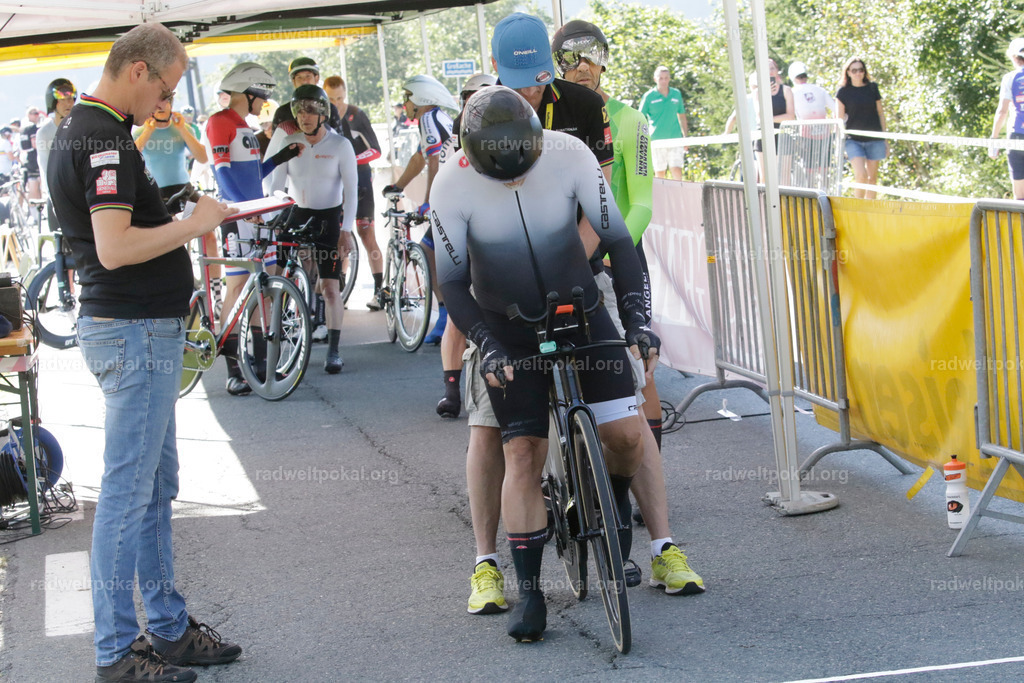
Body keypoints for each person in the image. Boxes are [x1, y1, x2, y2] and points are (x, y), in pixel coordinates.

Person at [46, 22, 240, 682]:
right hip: (131, 332)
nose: (165, 101)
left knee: (153, 486)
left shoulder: (91, 129)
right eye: (164, 86)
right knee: (130, 494)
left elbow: (119, 230)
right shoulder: (100, 135)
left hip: (137, 329)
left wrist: (174, 211)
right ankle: (118, 652)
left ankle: (164, 628)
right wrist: (194, 223)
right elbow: (114, 247)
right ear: (136, 70)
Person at [434, 85, 656, 643]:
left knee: (628, 436)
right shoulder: (451, 181)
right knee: (521, 451)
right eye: (498, 175)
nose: (512, 182)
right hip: (505, 323)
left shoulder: (570, 154)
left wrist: (635, 317)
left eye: (521, 170)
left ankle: (612, 502)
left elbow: (619, 241)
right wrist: (485, 341)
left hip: (577, 307)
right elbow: (452, 281)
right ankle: (530, 594)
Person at [458, 11, 616, 616]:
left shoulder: (580, 103)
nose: (529, 91)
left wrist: (570, 266)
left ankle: (627, 522)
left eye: (537, 78)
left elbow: (603, 203)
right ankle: (485, 562)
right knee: (495, 430)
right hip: (502, 285)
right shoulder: (475, 114)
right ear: (496, 71)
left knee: (623, 419)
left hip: (574, 267)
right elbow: (467, 212)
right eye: (517, 79)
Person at [552, 18, 705, 595]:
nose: (582, 65)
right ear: (556, 67)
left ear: (606, 63)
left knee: (638, 381)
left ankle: (634, 506)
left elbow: (639, 201)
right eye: (570, 58)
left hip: (612, 257)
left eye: (591, 56)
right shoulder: (541, 116)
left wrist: (600, 251)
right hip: (552, 264)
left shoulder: (632, 121)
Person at [206, 61, 300, 395]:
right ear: (246, 94)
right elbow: (223, 174)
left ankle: (261, 364)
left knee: (266, 287)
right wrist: (242, 211)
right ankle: (233, 368)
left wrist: (281, 156)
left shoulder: (244, 126)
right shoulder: (219, 122)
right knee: (237, 288)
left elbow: (253, 174)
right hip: (237, 216)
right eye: (260, 96)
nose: (263, 103)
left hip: (255, 212)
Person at [265, 84, 358, 373]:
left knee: (330, 287)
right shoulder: (290, 143)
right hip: (295, 213)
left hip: (328, 219)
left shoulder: (340, 145)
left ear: (322, 114)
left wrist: (346, 230)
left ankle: (333, 350)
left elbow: (352, 192)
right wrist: (273, 217)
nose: (304, 117)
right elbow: (277, 187)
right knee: (276, 279)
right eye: (299, 111)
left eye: (310, 111)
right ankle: (276, 340)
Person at [434, 72, 497, 419]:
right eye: (470, 97)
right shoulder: (452, 144)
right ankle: (451, 391)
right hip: (465, 233)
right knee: (458, 316)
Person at [380, 74, 458, 344]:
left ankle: (447, 318)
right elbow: (419, 158)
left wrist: (428, 201)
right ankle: (449, 316)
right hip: (456, 195)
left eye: (407, 97)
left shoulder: (428, 119)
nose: (405, 104)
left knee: (428, 251)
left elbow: (434, 161)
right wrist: (397, 185)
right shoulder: (436, 118)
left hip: (450, 199)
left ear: (421, 98)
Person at [323, 75, 385, 307]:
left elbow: (376, 150)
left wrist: (351, 161)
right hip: (335, 185)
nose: (336, 103)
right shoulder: (323, 117)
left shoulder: (356, 115)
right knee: (340, 235)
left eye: (339, 98)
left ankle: (380, 290)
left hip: (361, 182)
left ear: (346, 93)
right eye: (331, 99)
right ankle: (340, 289)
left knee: (366, 234)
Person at [835, 56, 887, 199]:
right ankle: (856, 208)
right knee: (861, 176)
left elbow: (880, 113)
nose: (858, 73)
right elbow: (839, 120)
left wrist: (885, 139)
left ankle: (869, 211)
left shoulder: (872, 88)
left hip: (875, 138)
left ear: (864, 72)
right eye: (854, 70)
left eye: (861, 70)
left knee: (872, 178)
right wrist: (838, 143)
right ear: (848, 73)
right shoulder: (843, 92)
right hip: (853, 140)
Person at [639, 66, 688, 180]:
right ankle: (660, 198)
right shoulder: (649, 96)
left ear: (669, 79)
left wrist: (685, 136)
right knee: (660, 172)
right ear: (655, 79)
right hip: (657, 139)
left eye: (666, 78)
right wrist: (642, 137)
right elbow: (640, 117)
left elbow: (682, 115)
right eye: (661, 78)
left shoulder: (676, 94)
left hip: (675, 138)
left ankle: (678, 195)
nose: (664, 81)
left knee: (676, 169)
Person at [990, 37, 1024, 200]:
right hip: (1017, 136)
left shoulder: (1010, 78)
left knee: (1020, 196)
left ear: (1013, 57)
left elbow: (1002, 112)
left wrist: (994, 140)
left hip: (1017, 135)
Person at [19, 106, 42, 203]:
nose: (37, 115)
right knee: (36, 187)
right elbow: (35, 144)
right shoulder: (32, 128)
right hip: (34, 159)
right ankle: (36, 213)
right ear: (28, 115)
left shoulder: (23, 128)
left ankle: (33, 213)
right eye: (34, 113)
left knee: (32, 186)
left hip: (26, 159)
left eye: (37, 113)